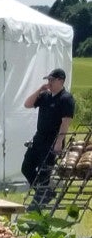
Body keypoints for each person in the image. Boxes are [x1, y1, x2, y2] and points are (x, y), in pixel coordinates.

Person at [23, 68, 74, 206]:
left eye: (52, 80)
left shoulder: (66, 98)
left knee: (44, 170)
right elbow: (27, 104)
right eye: (48, 80)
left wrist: (59, 142)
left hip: (52, 141)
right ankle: (44, 193)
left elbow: (66, 122)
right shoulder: (45, 96)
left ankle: (39, 202)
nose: (49, 82)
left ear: (60, 81)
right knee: (26, 167)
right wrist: (40, 89)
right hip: (39, 138)